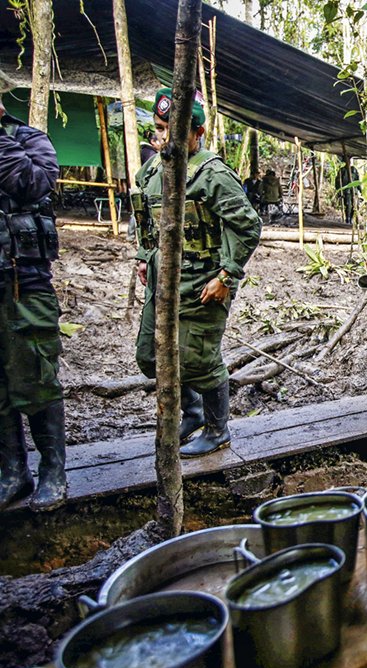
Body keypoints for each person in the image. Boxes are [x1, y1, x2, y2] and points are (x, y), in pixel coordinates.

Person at [132, 88, 262, 456]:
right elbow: (141, 215)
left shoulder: (213, 174)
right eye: (159, 128)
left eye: (173, 130)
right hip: (162, 280)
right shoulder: (154, 168)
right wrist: (144, 255)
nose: (164, 137)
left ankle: (218, 429)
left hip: (204, 281)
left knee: (198, 359)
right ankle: (190, 414)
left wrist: (227, 275)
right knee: (151, 354)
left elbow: (248, 226)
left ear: (197, 133)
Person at [0, 95, 67, 511]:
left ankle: (53, 471)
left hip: (24, 283)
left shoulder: (29, 141)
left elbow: (33, 183)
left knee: (37, 378)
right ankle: (12, 472)